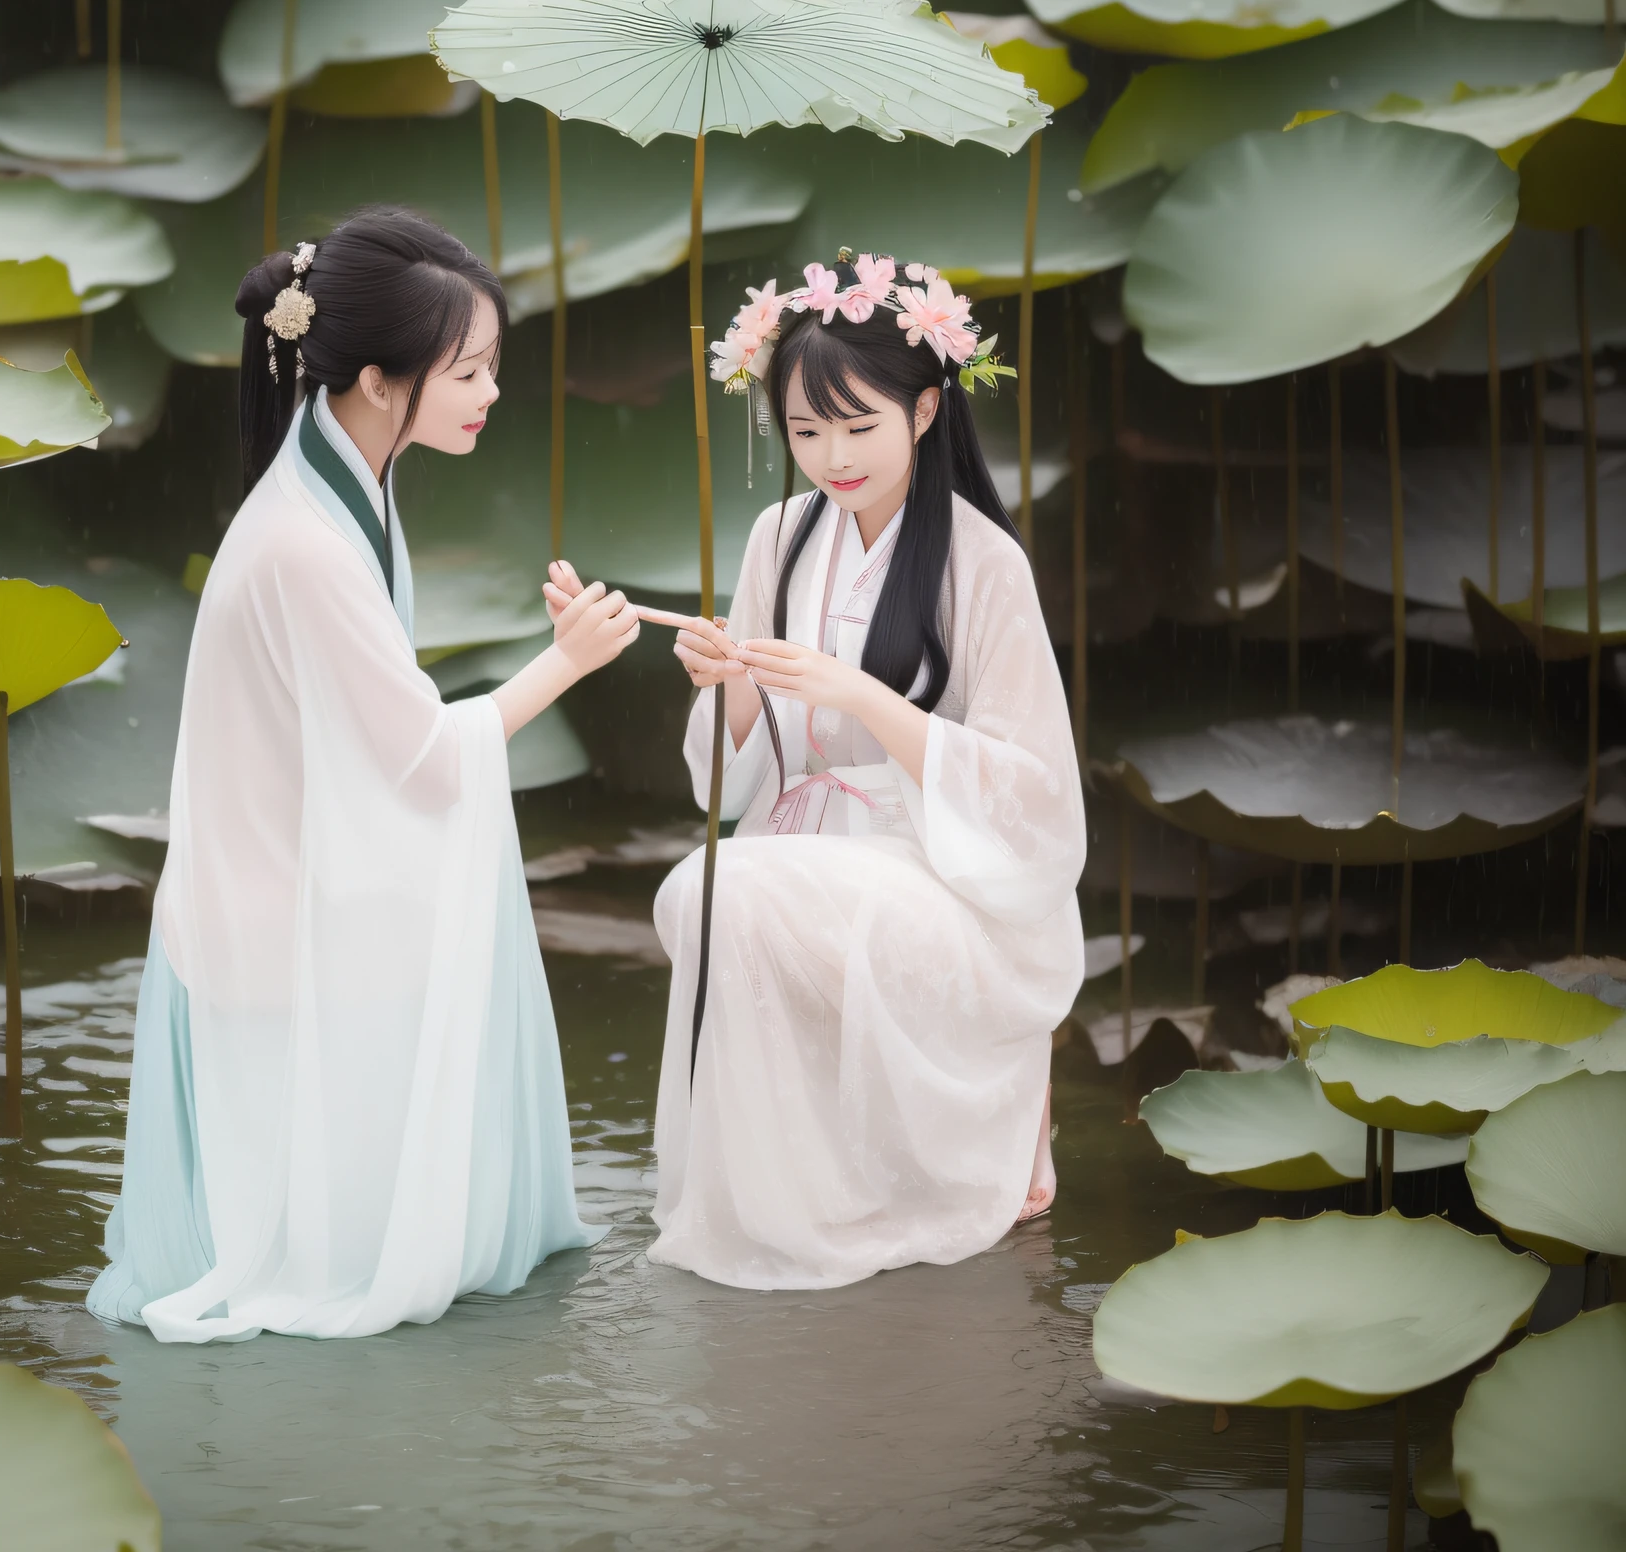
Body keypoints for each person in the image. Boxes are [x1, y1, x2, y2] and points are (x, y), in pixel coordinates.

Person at [90, 207, 638, 1341]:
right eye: (470, 370)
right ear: (382, 381)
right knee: (458, 874)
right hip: (262, 915)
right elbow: (428, 759)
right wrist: (567, 660)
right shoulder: (303, 536)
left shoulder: (348, 479)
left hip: (274, 875)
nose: (490, 392)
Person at [636, 251, 1082, 1291]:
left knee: (727, 886)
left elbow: (1033, 797)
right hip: (799, 840)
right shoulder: (775, 538)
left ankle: (1006, 1107)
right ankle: (790, 1189)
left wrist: (862, 696)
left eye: (857, 424)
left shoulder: (983, 561)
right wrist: (727, 680)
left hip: (939, 866)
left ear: (925, 410)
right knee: (705, 885)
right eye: (802, 430)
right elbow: (730, 776)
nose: (830, 455)